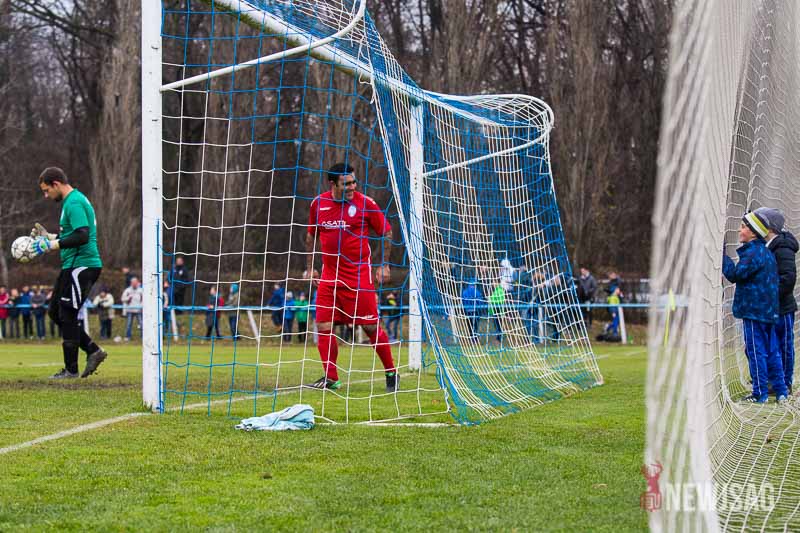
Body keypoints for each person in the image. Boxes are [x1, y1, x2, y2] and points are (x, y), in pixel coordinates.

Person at [304, 162, 398, 392]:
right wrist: (310, 267)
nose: (352, 187)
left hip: (358, 277)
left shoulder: (366, 203)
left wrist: (384, 265)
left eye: (354, 182)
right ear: (332, 184)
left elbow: (386, 231)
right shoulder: (318, 204)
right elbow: (311, 237)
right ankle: (331, 378)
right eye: (346, 183)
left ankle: (391, 372)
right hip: (329, 277)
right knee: (323, 324)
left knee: (370, 327)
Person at [30, 166, 107, 378]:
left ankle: (71, 370)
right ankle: (93, 350)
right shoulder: (72, 201)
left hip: (82, 265)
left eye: (47, 190)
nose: (46, 196)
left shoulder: (73, 202)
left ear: (56, 184)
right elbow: (72, 235)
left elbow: (82, 235)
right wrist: (49, 238)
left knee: (67, 313)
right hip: (71, 265)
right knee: (56, 312)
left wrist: (52, 245)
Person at [722, 210, 788, 404]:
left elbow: (735, 275)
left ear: (753, 232)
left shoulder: (752, 253)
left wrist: (722, 257)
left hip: (754, 312)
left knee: (755, 351)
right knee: (772, 351)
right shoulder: (766, 252)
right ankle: (781, 390)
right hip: (769, 312)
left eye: (743, 227)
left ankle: (760, 393)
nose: (740, 230)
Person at [755, 207, 798, 394]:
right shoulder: (765, 246)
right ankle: (771, 379)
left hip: (782, 309)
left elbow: (788, 279)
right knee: (768, 346)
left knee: (784, 345)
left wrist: (768, 297)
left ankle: (785, 382)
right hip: (768, 309)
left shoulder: (783, 248)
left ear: (769, 227)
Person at [121, 276, 144, 341]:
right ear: (131, 283)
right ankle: (127, 337)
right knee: (129, 324)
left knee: (141, 324)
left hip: (138, 310)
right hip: (130, 310)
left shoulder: (141, 290)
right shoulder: (127, 290)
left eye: (135, 282)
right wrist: (128, 298)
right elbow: (122, 299)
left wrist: (141, 306)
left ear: (137, 282)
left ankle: (143, 337)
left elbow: (144, 300)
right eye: (133, 283)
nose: (134, 284)